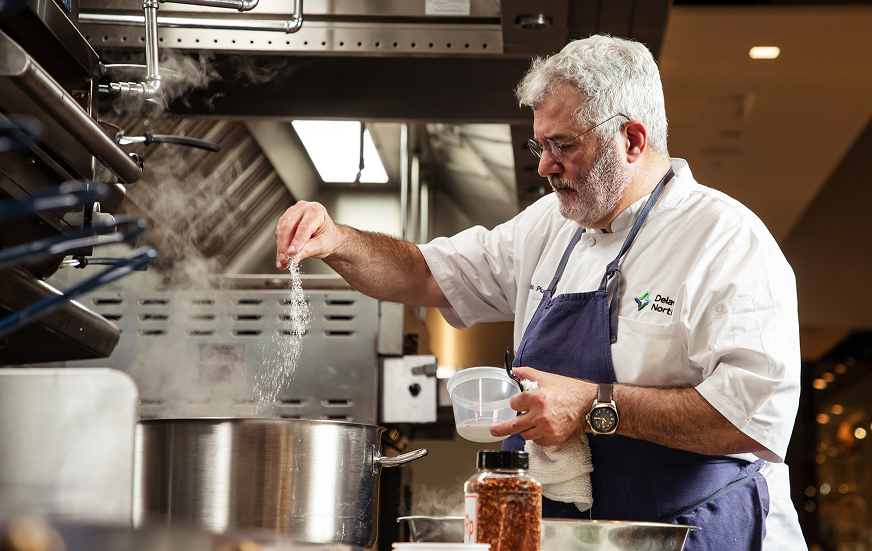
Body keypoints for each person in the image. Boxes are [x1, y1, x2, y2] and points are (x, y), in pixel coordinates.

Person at [275, 35, 806, 551]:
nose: (544, 166)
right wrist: (337, 240)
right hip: (573, 535)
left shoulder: (725, 240)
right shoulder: (550, 226)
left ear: (633, 140)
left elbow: (752, 417)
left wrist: (594, 406)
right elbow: (425, 273)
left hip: (685, 535)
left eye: (564, 146)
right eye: (540, 145)